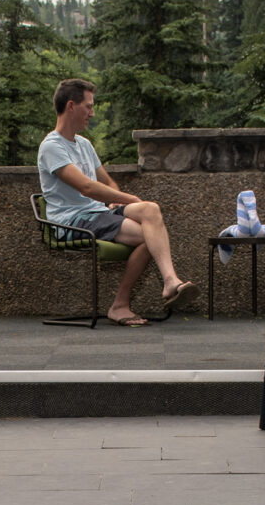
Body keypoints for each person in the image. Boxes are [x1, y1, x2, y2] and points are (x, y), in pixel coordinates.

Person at [38, 78, 194, 326]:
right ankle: (120, 305)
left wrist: (114, 201)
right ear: (71, 106)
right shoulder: (51, 147)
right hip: (73, 220)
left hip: (98, 214)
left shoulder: (85, 145)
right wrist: (128, 199)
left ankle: (170, 281)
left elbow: (107, 184)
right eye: (88, 106)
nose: (92, 112)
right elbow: (86, 186)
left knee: (150, 210)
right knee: (147, 235)